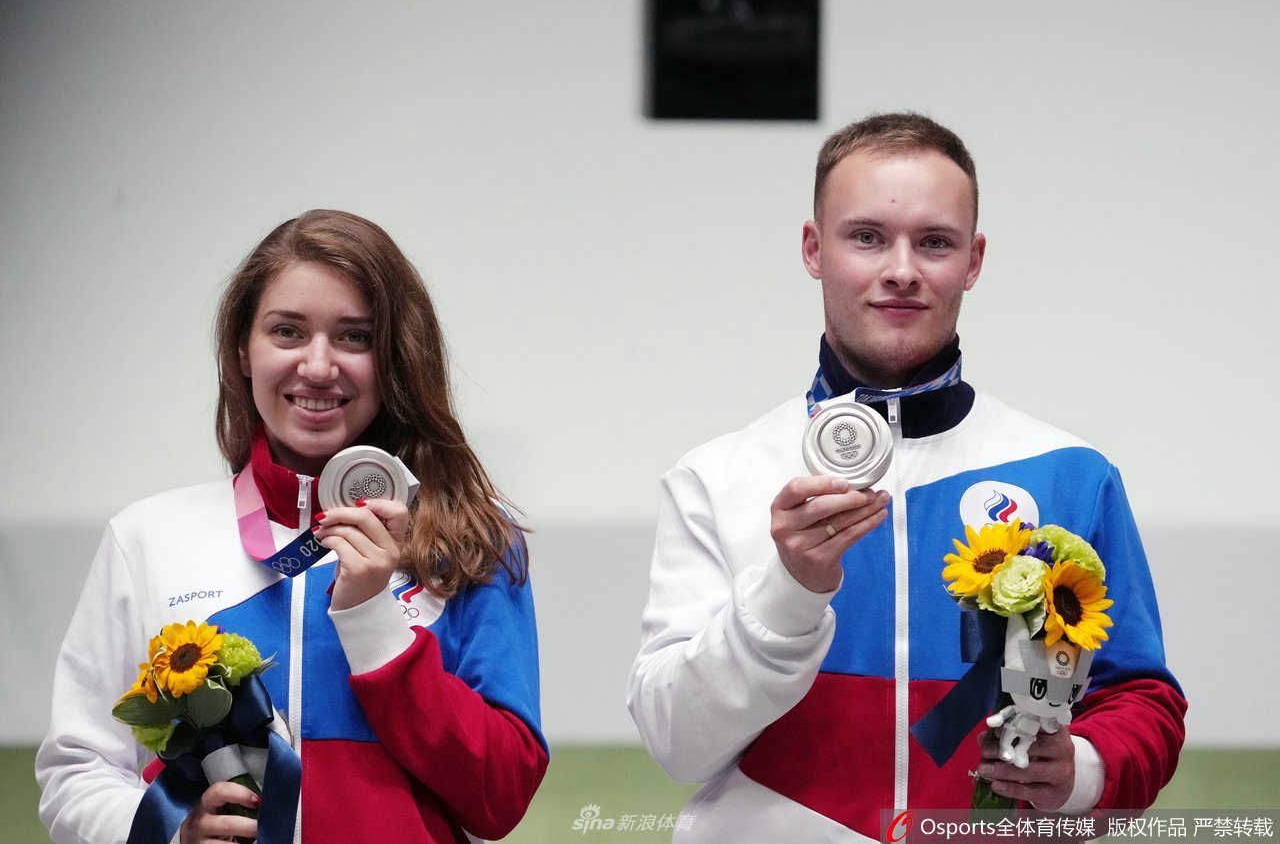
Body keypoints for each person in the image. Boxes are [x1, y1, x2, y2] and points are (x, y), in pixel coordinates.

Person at [627, 113, 1186, 842]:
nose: (901, 269)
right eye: (866, 237)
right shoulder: (717, 476)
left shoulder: (1072, 474)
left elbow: (1141, 700)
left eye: (934, 242)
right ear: (814, 249)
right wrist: (790, 589)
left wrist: (1082, 768)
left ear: (973, 261)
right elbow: (675, 744)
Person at [36, 210, 547, 844]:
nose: (319, 366)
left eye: (355, 337)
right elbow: (76, 772)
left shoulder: (471, 541)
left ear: (395, 358)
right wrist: (170, 832)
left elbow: (501, 796)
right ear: (242, 352)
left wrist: (375, 623)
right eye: (287, 332)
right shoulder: (148, 539)